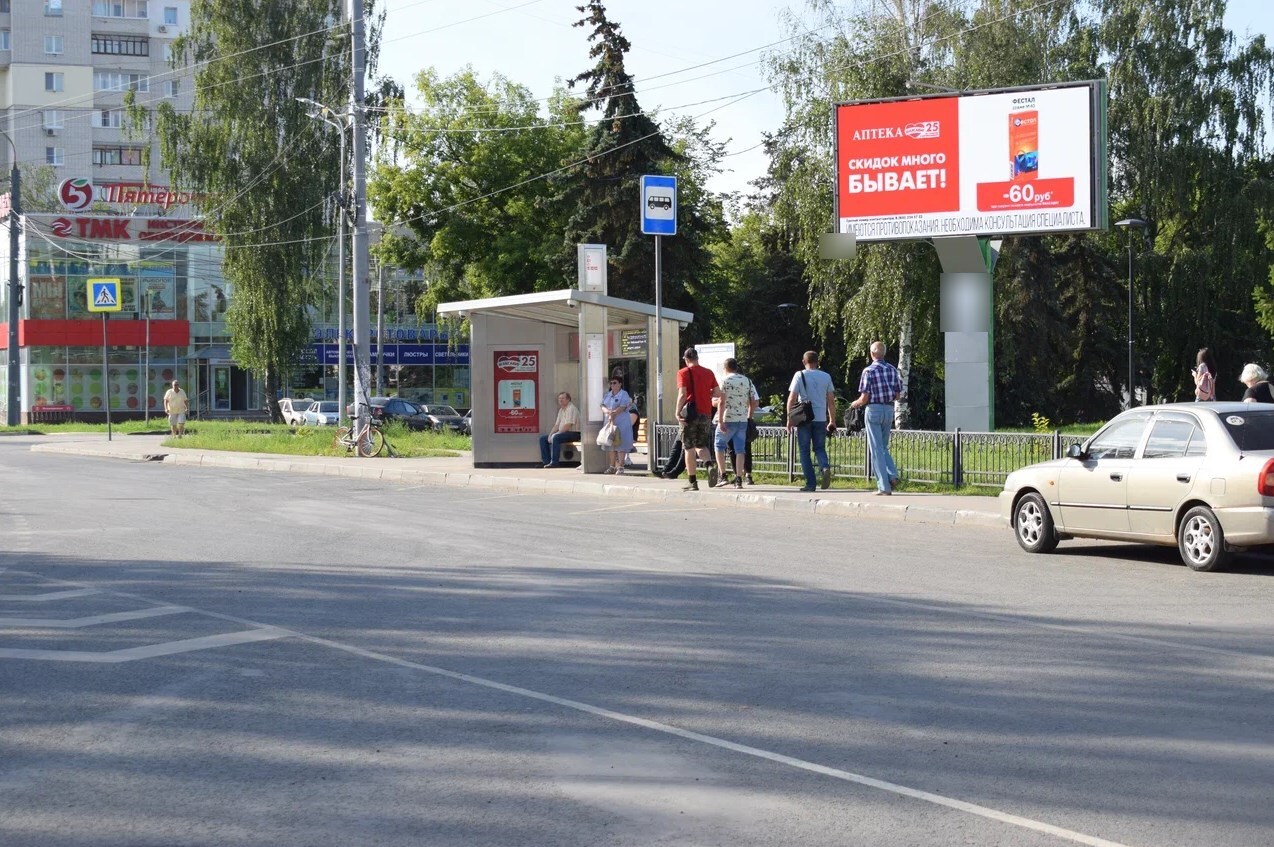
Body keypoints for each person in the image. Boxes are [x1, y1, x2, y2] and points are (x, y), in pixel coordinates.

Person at [848, 341, 903, 495]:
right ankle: (892, 475)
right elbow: (898, 395)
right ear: (883, 353)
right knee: (883, 447)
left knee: (876, 449)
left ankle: (883, 486)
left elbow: (864, 398)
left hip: (873, 410)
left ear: (872, 354)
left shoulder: (869, 371)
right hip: (889, 409)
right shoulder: (892, 370)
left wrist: (855, 404)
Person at [786, 350, 836, 492]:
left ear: (804, 361)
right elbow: (831, 401)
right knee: (819, 448)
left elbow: (792, 398)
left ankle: (810, 483)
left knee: (804, 450)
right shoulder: (826, 376)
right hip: (820, 418)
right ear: (817, 361)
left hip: (804, 418)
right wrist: (832, 420)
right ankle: (824, 467)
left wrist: (789, 419)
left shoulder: (799, 375)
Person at [676, 347, 720, 492]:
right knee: (701, 444)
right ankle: (709, 465)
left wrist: (677, 412)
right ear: (697, 358)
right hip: (706, 413)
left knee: (688, 447)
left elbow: (682, 394)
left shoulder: (683, 372)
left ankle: (692, 482)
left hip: (690, 415)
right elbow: (717, 392)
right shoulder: (708, 372)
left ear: (686, 359)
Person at [712, 358, 757, 489]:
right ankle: (738, 479)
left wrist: (720, 420)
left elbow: (721, 401)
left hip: (728, 418)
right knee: (740, 450)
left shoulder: (724, 381)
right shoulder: (747, 381)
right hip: (742, 420)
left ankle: (723, 476)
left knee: (719, 445)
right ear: (736, 367)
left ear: (725, 368)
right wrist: (749, 416)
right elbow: (753, 402)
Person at [600, 377, 634, 474]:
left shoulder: (624, 394)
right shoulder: (608, 394)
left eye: (615, 383)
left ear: (620, 384)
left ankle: (621, 467)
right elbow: (602, 405)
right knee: (610, 445)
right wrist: (607, 412)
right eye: (611, 383)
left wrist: (612, 413)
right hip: (610, 422)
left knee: (621, 445)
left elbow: (622, 407)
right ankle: (612, 466)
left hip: (621, 422)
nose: (612, 385)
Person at [539, 391, 581, 467]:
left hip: (574, 433)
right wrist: (550, 435)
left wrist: (556, 434)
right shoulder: (561, 410)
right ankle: (546, 462)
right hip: (563, 433)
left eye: (563, 398)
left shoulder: (571, 408)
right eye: (559, 399)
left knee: (556, 437)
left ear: (568, 400)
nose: (561, 400)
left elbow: (568, 425)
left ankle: (554, 462)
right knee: (543, 439)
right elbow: (556, 425)